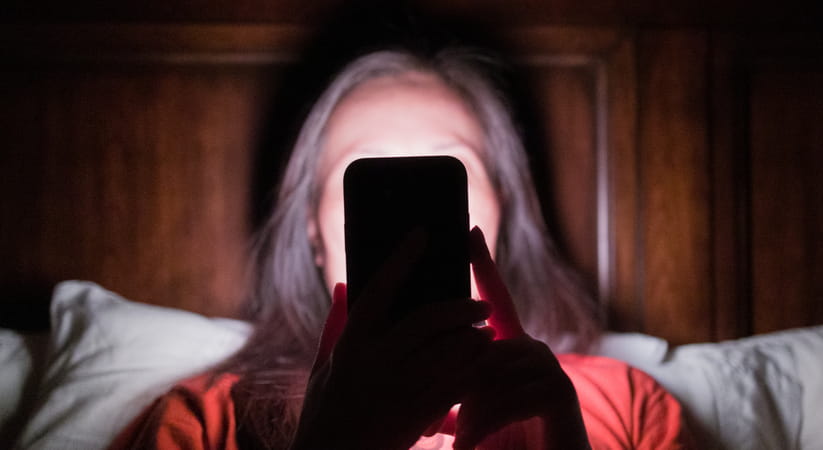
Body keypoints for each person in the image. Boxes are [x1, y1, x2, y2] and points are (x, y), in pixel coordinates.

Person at [110, 48, 692, 449]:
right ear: (313, 234)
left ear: (504, 212)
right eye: (372, 187)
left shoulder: (626, 403)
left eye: (446, 177)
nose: (413, 232)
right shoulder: (206, 419)